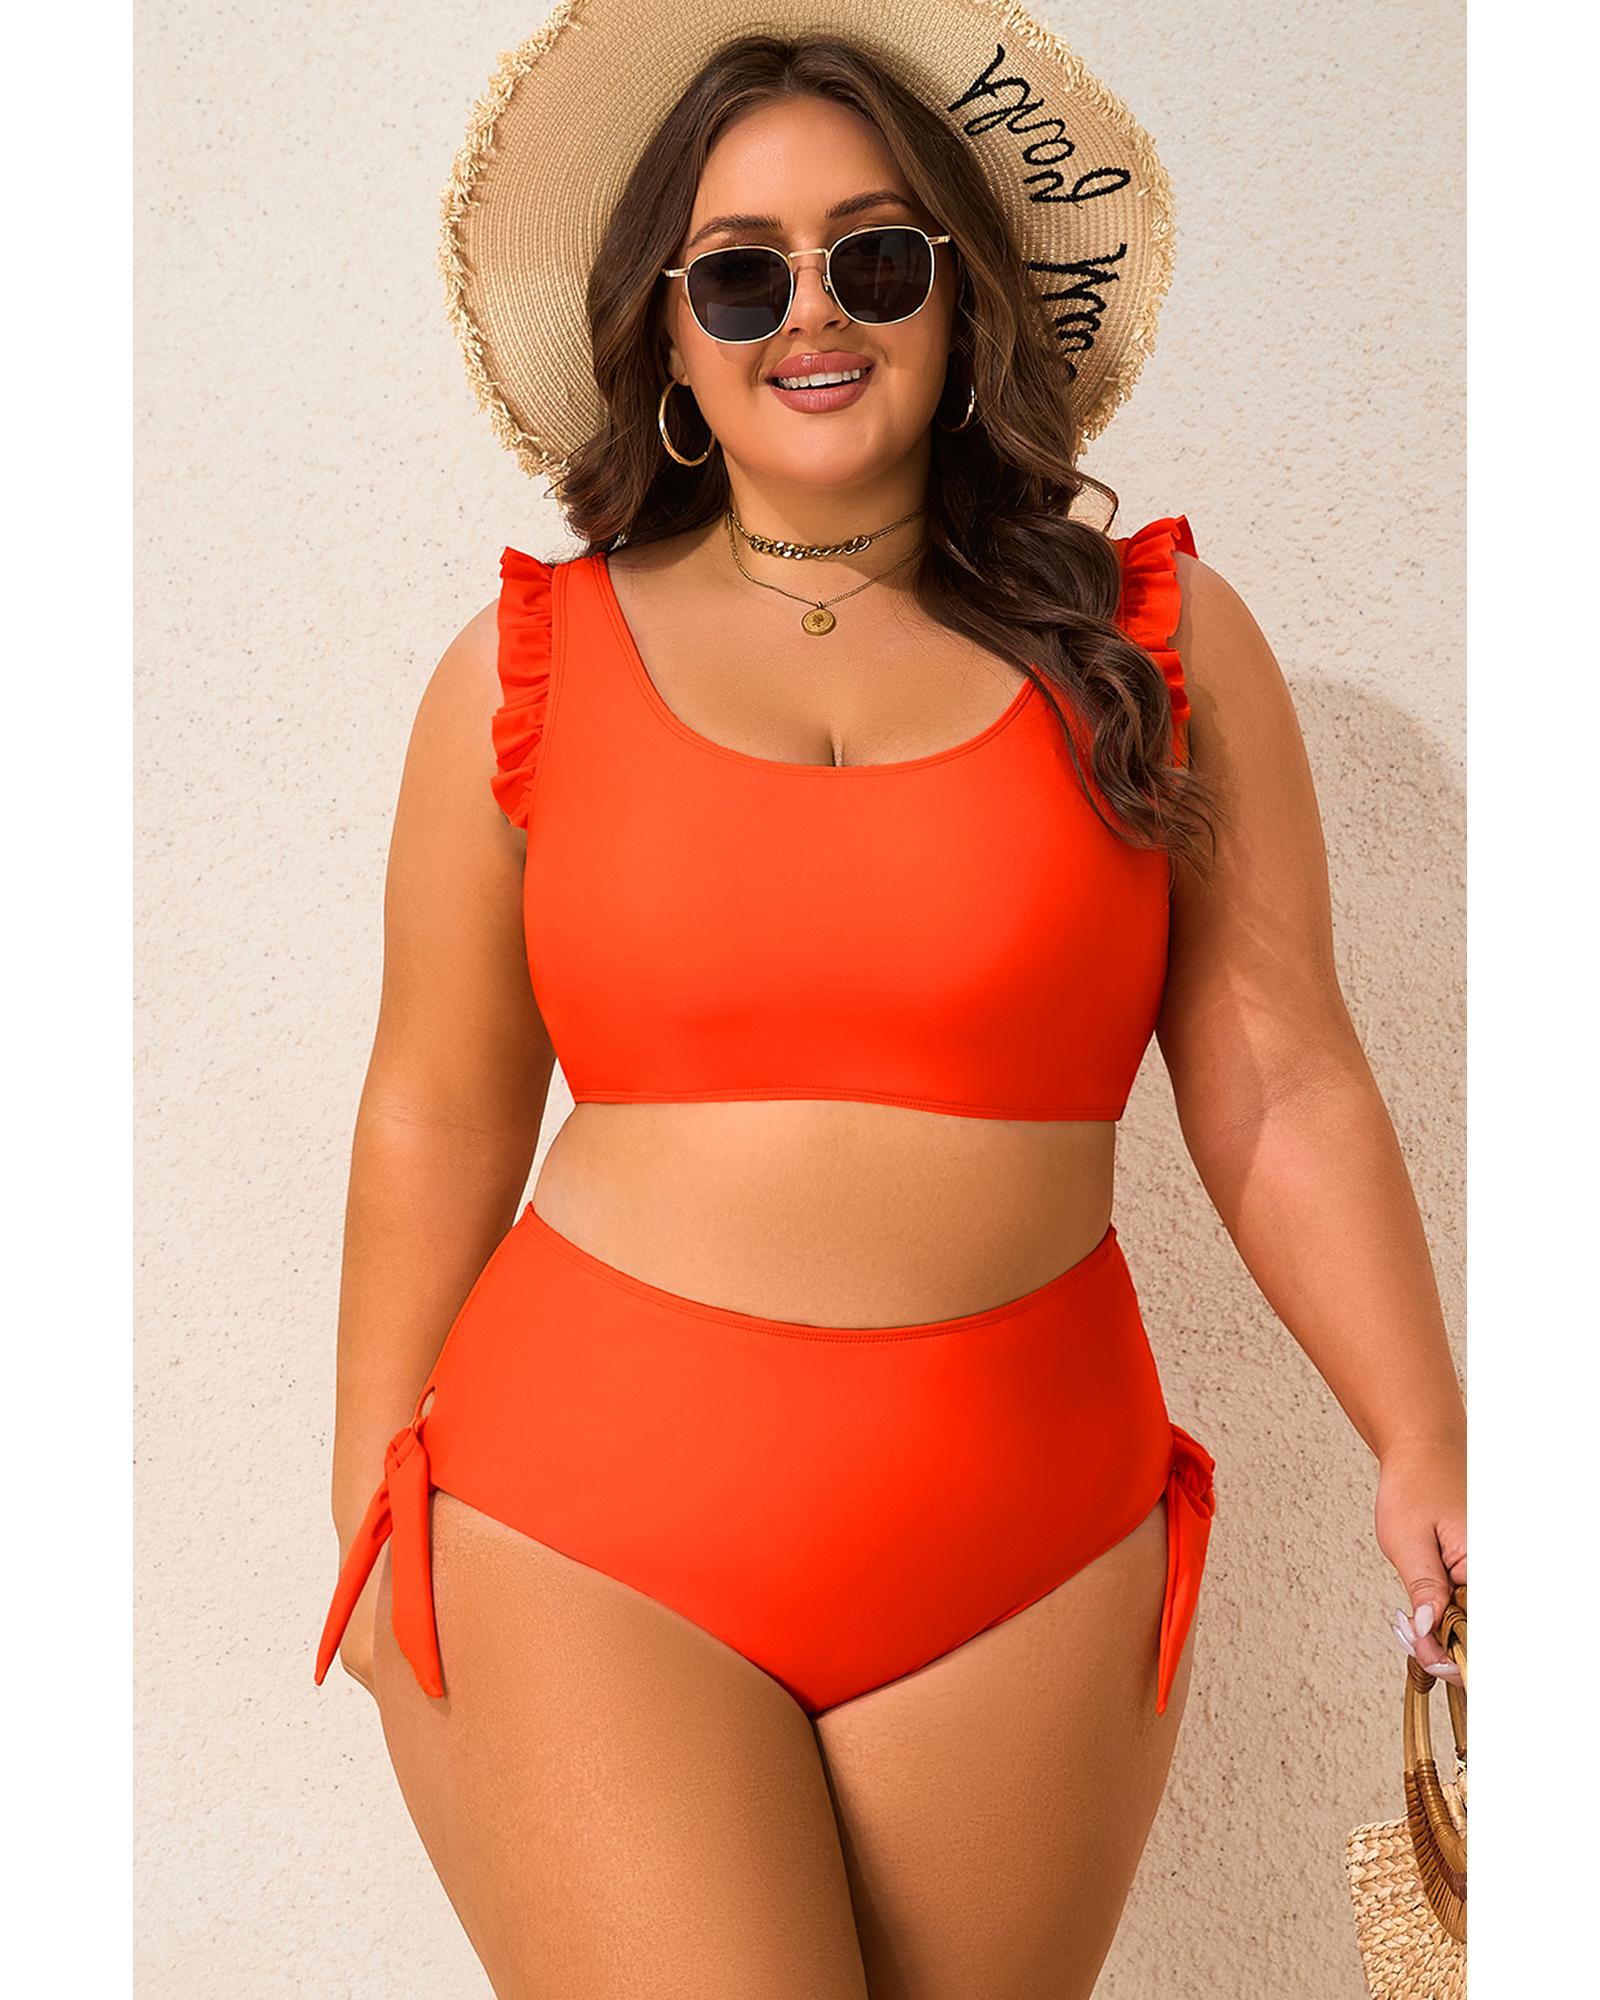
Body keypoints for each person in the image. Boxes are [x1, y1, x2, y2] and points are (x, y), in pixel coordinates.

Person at [313, 7, 1467, 1995]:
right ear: (665, 336)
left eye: (872, 254)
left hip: (1032, 1556)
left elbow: (1281, 1080)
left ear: (960, 295)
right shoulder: (523, 668)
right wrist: (363, 1487)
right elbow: (437, 1102)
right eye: (739, 275)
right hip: (585, 1529)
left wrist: (1423, 1431)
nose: (812, 314)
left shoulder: (1156, 648)